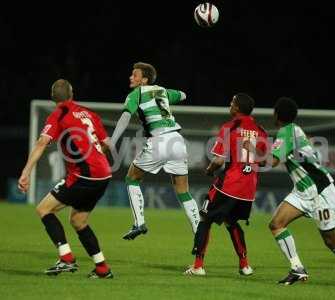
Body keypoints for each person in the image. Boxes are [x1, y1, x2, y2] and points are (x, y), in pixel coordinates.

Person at [18, 79, 113, 279]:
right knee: (78, 221)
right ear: (72, 94)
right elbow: (107, 143)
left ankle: (66, 259)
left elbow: (42, 142)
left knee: (43, 209)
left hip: (83, 175)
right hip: (104, 174)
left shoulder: (58, 114)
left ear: (53, 98)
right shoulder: (88, 113)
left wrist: (26, 172)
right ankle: (102, 268)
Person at [267, 97, 335, 286]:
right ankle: (297, 269)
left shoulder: (285, 132)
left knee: (330, 239)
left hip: (320, 192)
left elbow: (272, 161)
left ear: (277, 114)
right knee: (276, 224)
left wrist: (249, 153)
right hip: (302, 191)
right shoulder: (296, 129)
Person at [110, 62, 200, 240]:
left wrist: (112, 141)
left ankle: (139, 223)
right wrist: (166, 95)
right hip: (177, 141)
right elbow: (183, 95)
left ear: (144, 80)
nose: (131, 77)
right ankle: (199, 231)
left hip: (159, 140)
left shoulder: (136, 93)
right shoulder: (163, 91)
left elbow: (125, 116)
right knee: (183, 190)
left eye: (135, 75)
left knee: (131, 178)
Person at [184, 93, 268, 276]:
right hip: (248, 190)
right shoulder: (260, 130)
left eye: (232, 102)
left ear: (237, 108)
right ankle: (245, 265)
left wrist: (208, 169)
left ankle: (198, 266)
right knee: (231, 222)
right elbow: (263, 162)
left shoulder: (230, 127)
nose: (230, 105)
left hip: (230, 184)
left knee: (205, 219)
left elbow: (219, 161)